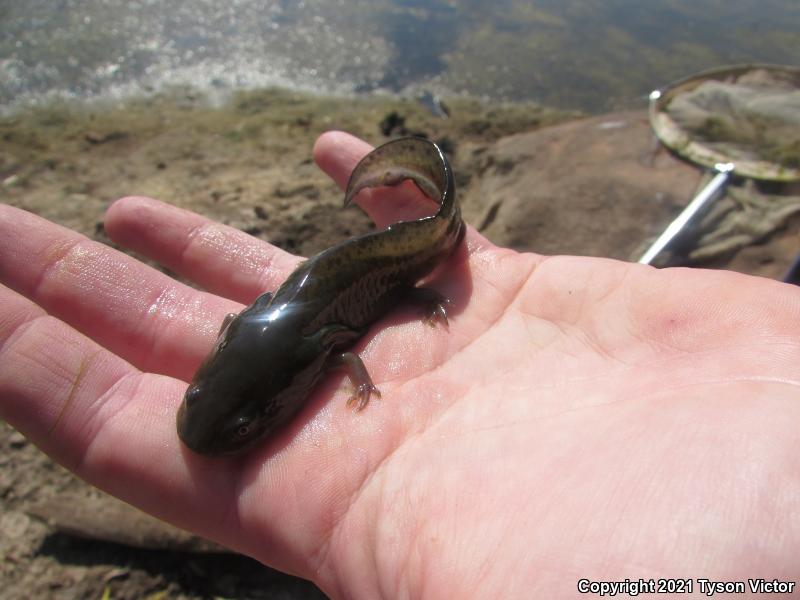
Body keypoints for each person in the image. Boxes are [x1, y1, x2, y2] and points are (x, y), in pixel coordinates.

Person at [1, 131, 798, 598]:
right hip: (305, 305)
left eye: (245, 415)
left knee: (407, 276)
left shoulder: (322, 348)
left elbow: (342, 353)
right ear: (221, 355)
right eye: (222, 402)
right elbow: (317, 351)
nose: (233, 420)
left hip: (366, 277)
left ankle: (426, 223)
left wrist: (398, 336)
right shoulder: (276, 344)